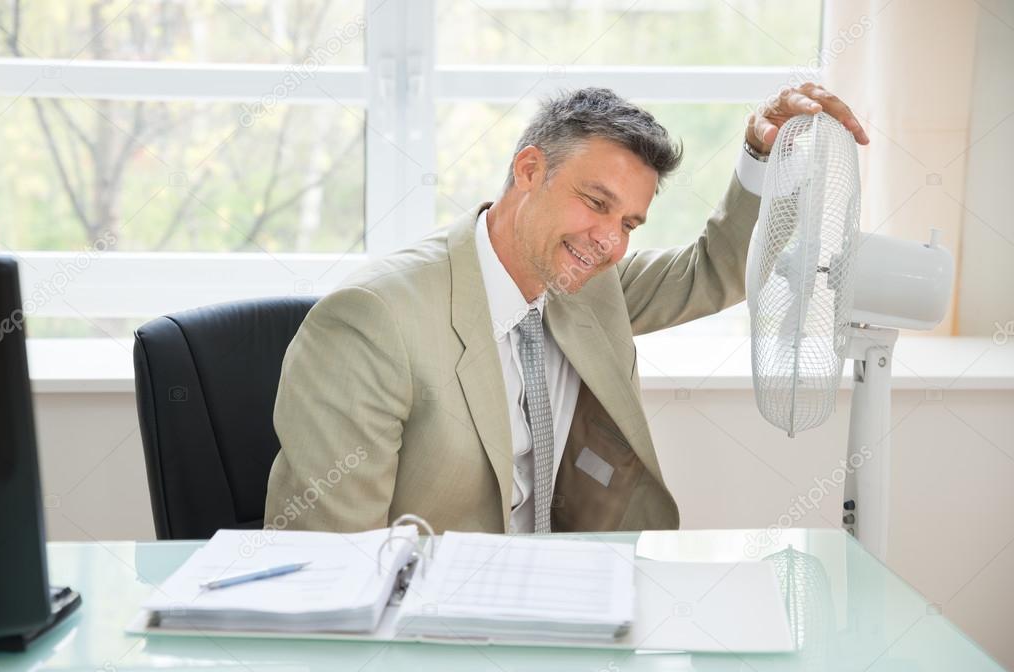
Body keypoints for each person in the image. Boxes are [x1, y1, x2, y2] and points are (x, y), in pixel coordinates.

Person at [264, 84, 869, 534]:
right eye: (594, 202)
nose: (609, 240)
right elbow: (334, 563)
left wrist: (761, 155)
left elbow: (713, 270)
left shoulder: (589, 285)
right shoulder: (372, 321)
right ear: (529, 170)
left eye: (628, 222)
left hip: (578, 597)